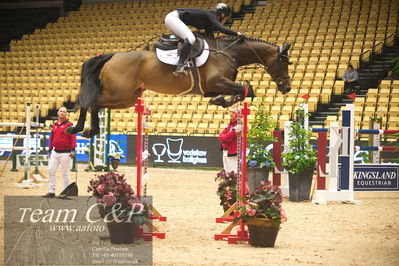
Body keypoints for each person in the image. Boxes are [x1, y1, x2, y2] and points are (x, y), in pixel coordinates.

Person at [164, 3, 243, 74]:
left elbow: (210, 38)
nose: (225, 21)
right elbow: (221, 28)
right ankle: (180, 65)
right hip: (173, 18)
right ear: (221, 14)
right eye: (226, 18)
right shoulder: (210, 15)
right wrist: (237, 34)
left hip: (175, 20)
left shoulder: (209, 22)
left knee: (189, 40)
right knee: (191, 39)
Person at [43, 107, 76, 198]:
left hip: (66, 153)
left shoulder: (70, 125)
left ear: (66, 114)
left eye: (64, 112)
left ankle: (65, 192)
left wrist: (73, 149)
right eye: (60, 111)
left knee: (65, 173)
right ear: (58, 113)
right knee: (51, 170)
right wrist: (50, 149)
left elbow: (73, 137)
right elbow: (52, 137)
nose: (62, 113)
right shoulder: (54, 125)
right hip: (55, 152)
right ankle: (51, 191)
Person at [218, 106, 239, 173]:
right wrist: (224, 137)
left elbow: (228, 137)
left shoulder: (238, 125)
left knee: (233, 171)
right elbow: (220, 137)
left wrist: (224, 137)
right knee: (227, 172)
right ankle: (228, 183)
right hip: (225, 151)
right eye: (230, 112)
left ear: (238, 114)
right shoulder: (229, 125)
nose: (231, 113)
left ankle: (233, 183)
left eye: (233, 112)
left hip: (233, 151)